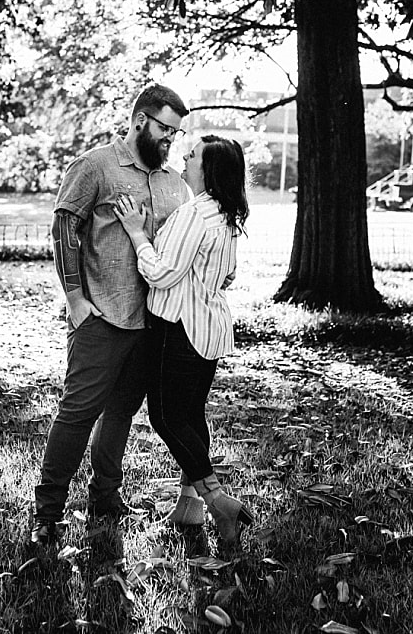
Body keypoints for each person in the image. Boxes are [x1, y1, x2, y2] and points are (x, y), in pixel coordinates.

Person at [31, 83, 190, 545]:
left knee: (121, 412)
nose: (169, 140)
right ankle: (48, 511)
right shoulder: (95, 166)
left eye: (175, 134)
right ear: (140, 120)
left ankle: (104, 495)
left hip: (151, 322)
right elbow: (64, 229)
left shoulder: (173, 183)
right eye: (164, 129)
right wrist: (77, 301)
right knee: (78, 414)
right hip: (101, 316)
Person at [112, 134, 254, 545]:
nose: (185, 157)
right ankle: (189, 508)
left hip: (178, 329)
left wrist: (138, 234)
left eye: (192, 155)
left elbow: (160, 273)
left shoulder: (196, 214)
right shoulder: (227, 214)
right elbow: (226, 273)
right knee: (190, 416)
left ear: (207, 170)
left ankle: (216, 500)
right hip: (208, 328)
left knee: (166, 416)